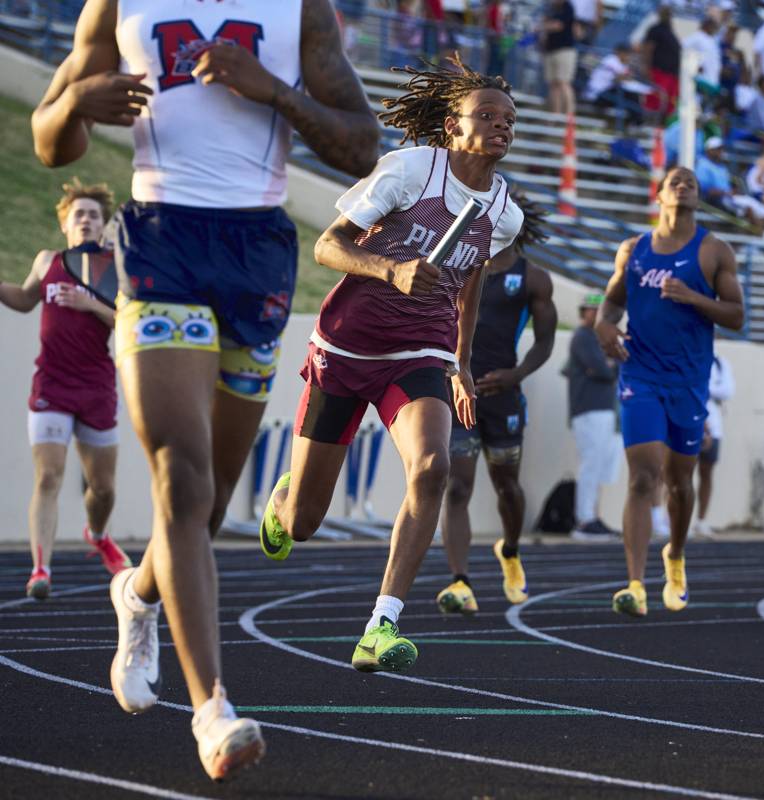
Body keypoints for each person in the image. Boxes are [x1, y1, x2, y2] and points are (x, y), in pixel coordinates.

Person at [31, 0, 378, 780]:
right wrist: (74, 104)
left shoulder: (299, 9)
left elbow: (363, 146)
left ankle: (139, 593)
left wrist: (275, 92)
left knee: (210, 502)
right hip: (162, 241)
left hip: (256, 249)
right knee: (179, 483)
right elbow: (48, 144)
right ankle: (213, 709)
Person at [258, 56, 524, 672]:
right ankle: (286, 500)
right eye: (486, 114)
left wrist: (458, 362)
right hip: (347, 347)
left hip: (421, 351)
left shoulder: (503, 212)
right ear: (453, 128)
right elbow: (328, 245)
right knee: (302, 524)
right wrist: (390, 267)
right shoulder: (410, 171)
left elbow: (473, 281)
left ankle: (381, 626)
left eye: (510, 118)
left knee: (431, 468)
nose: (501, 125)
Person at [595, 166, 745, 617]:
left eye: (691, 183)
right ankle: (635, 584)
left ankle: (675, 554)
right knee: (643, 477)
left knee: (680, 481)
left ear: (698, 198)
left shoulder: (714, 251)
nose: (683, 187)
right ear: (659, 194)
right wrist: (604, 324)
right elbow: (612, 300)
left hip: (689, 382)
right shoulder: (634, 249)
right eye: (675, 182)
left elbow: (737, 315)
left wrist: (693, 298)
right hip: (640, 374)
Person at [0, 179, 129, 599]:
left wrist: (90, 304)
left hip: (96, 387)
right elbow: (22, 298)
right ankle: (41, 570)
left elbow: (129, 322)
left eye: (94, 214)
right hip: (51, 385)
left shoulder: (114, 266)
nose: (87, 220)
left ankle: (97, 533)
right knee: (49, 476)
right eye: (80, 214)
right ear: (65, 225)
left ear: (103, 224)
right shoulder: (47, 261)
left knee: (103, 488)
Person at [439, 200, 555, 613]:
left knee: (507, 486)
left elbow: (544, 341)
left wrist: (516, 375)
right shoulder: (456, 262)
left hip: (504, 396)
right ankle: (460, 581)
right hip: (458, 394)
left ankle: (509, 548)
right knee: (456, 486)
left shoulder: (533, 279)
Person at [566, 294, 622, 539]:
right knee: (591, 464)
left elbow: (613, 366)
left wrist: (608, 364)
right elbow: (603, 370)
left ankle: (592, 516)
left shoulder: (596, 337)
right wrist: (607, 364)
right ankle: (584, 520)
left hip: (602, 409)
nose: (595, 313)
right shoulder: (583, 337)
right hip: (589, 409)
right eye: (591, 309)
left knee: (598, 465)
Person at [693, 352, 735, 537]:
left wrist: (706, 389)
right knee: (681, 474)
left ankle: (701, 520)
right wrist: (711, 388)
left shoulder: (720, 362)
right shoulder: (691, 356)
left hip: (715, 426)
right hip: (691, 422)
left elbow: (728, 390)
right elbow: (692, 386)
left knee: (707, 473)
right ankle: (675, 521)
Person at [542, 0, 577, 116]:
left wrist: (544, 26)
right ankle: (555, 116)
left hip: (565, 50)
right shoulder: (551, 8)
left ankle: (569, 117)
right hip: (551, 50)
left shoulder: (567, 7)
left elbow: (558, 25)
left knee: (564, 83)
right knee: (553, 85)